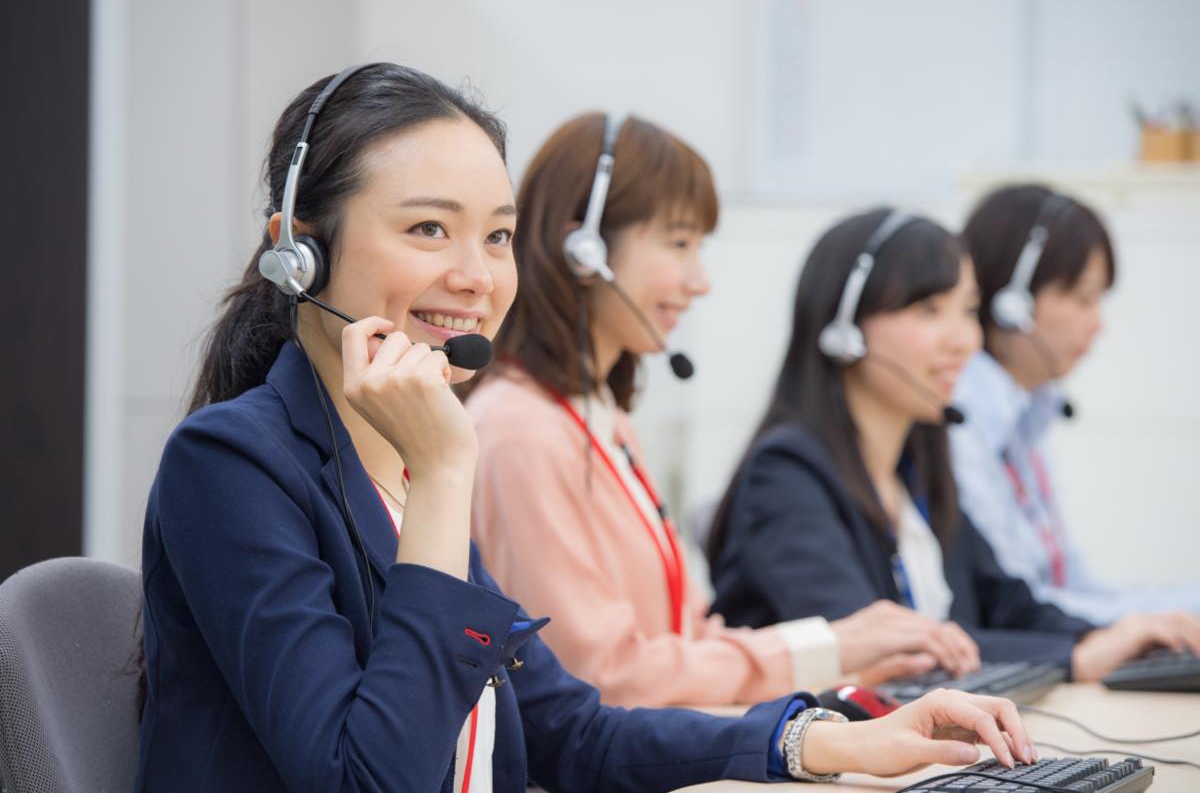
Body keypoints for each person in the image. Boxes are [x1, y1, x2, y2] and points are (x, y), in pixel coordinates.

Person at [136, 65, 1036, 792]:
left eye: (496, 237)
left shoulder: (398, 462)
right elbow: (371, 778)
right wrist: (448, 476)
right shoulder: (233, 466)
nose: (476, 276)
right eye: (427, 230)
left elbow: (567, 727)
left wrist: (826, 740)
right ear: (299, 248)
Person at [465, 113, 984, 711]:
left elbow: (680, 640)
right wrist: (830, 644)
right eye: (679, 244)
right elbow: (602, 675)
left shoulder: (596, 418)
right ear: (585, 248)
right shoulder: (521, 430)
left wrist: (833, 647)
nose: (700, 281)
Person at [706, 208, 1200, 683]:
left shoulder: (917, 471)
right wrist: (1074, 658)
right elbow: (885, 656)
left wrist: (1116, 637)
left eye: (967, 310)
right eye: (929, 310)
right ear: (844, 330)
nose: (964, 339)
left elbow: (1009, 604)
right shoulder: (787, 473)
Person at [953, 183, 1200, 625]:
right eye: (1084, 298)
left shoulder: (1027, 415)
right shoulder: (961, 418)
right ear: (1014, 304)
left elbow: (1071, 585)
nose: (1098, 324)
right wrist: (1144, 625)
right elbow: (1020, 605)